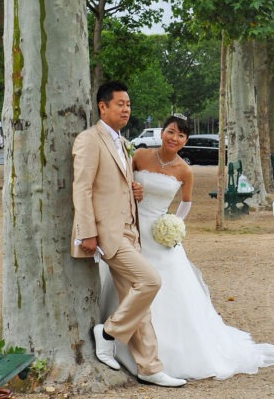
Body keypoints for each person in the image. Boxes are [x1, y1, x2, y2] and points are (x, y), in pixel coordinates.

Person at [101, 114, 274, 380]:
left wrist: (173, 224)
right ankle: (117, 339)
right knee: (128, 282)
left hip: (159, 234)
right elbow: (122, 182)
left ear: (185, 140)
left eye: (181, 135)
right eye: (171, 132)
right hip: (132, 227)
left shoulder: (184, 170)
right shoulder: (140, 156)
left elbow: (186, 203)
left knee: (167, 290)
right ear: (162, 132)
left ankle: (162, 353)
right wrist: (133, 190)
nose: (174, 138)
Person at [71, 81, 186, 388]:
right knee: (151, 281)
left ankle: (149, 367)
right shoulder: (89, 139)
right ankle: (108, 332)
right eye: (120, 104)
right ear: (103, 107)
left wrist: (133, 190)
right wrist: (87, 232)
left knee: (140, 302)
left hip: (130, 230)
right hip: (108, 234)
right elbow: (81, 188)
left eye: (129, 104)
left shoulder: (122, 142)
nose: (126, 109)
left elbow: (115, 182)